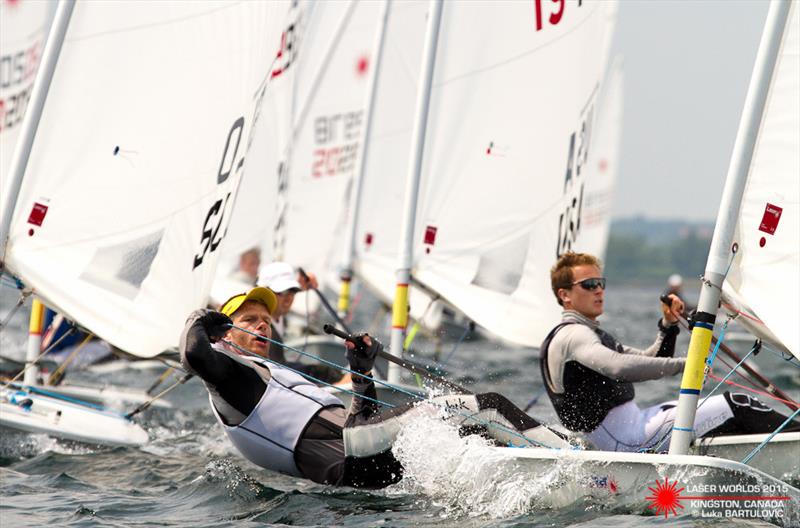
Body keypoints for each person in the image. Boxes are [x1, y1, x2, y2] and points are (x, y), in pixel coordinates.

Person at [180, 287, 569, 488]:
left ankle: (552, 467)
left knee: (474, 431)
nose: (263, 325)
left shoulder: (270, 375)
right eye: (249, 319)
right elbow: (195, 355)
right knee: (486, 405)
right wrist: (198, 316)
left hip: (361, 459)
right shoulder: (231, 378)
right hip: (350, 461)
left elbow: (361, 422)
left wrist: (360, 370)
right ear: (222, 334)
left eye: (266, 319)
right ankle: (575, 460)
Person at [540, 252, 799, 452]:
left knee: (725, 415)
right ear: (565, 295)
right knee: (738, 404)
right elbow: (618, 367)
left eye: (601, 282)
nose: (599, 289)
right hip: (626, 441)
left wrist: (668, 326)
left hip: (634, 427)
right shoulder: (573, 335)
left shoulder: (586, 334)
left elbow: (649, 359)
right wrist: (686, 364)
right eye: (589, 284)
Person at [257, 261, 347, 384]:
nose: (289, 298)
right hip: (273, 378)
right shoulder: (261, 327)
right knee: (326, 374)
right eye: (282, 292)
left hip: (281, 369)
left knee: (324, 372)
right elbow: (277, 374)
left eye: (293, 291)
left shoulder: (278, 313)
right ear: (264, 292)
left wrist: (302, 283)